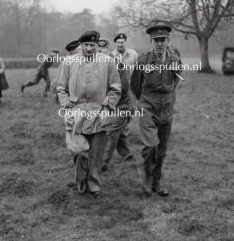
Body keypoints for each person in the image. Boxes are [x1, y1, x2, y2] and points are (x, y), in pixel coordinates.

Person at [57, 30, 121, 199]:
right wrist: (66, 104)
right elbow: (60, 87)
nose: (89, 48)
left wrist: (108, 106)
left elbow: (115, 87)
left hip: (99, 112)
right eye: (86, 45)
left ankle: (94, 185)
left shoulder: (107, 61)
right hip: (76, 112)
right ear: (81, 45)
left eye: (93, 45)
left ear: (97, 46)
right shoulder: (69, 62)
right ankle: (81, 179)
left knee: (96, 152)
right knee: (79, 150)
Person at [130, 20, 182, 197]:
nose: (160, 44)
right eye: (156, 40)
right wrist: (143, 102)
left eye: (163, 40)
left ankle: (156, 183)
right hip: (148, 105)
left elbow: (175, 81)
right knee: (151, 145)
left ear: (168, 41)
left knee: (162, 149)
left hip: (167, 107)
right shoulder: (143, 60)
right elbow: (135, 84)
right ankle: (146, 178)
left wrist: (168, 98)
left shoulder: (175, 59)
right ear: (151, 42)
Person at [101, 35, 135, 172]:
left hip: (122, 104)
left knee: (112, 132)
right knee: (118, 130)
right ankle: (126, 154)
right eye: (99, 49)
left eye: (103, 49)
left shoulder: (117, 64)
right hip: (112, 103)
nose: (100, 52)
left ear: (108, 49)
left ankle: (103, 163)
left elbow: (124, 87)